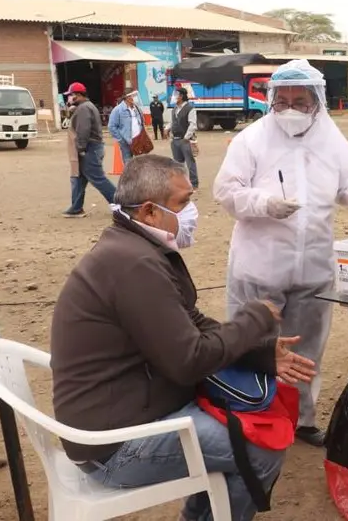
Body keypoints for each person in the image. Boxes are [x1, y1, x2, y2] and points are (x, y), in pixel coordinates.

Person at [51, 155, 318, 521]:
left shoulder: (135, 248)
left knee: (257, 423)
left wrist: (259, 353)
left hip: (129, 412)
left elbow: (193, 324)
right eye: (183, 203)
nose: (193, 212)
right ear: (148, 212)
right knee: (260, 451)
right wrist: (254, 319)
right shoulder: (134, 264)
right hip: (112, 446)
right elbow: (188, 360)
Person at [213, 60, 348, 447]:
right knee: (254, 346)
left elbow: (343, 191)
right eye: (283, 101)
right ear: (271, 100)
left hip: (313, 268)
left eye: (300, 100)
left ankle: (303, 420)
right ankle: (250, 415)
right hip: (261, 266)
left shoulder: (332, 139)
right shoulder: (252, 139)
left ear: (317, 101)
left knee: (307, 348)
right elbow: (225, 191)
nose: (290, 109)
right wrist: (264, 203)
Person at [62, 82, 117, 218]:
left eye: (71, 95)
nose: (69, 98)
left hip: (89, 148)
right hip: (91, 147)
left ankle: (121, 203)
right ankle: (76, 208)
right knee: (78, 179)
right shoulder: (84, 107)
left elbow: (83, 130)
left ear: (78, 95)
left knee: (98, 178)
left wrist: (81, 148)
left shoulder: (84, 109)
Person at [170, 87, 200, 189]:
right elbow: (173, 122)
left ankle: (194, 183)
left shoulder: (190, 108)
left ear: (181, 96)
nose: (174, 97)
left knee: (190, 163)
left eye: (176, 95)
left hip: (185, 140)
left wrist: (186, 137)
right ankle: (181, 183)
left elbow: (193, 125)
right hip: (175, 139)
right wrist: (167, 128)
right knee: (178, 164)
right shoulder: (174, 109)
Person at [107, 91, 144, 165]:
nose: (135, 98)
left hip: (138, 140)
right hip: (126, 142)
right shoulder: (118, 110)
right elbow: (111, 126)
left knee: (140, 164)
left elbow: (142, 122)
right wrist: (121, 139)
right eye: (133, 96)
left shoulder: (137, 108)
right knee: (128, 163)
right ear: (127, 98)